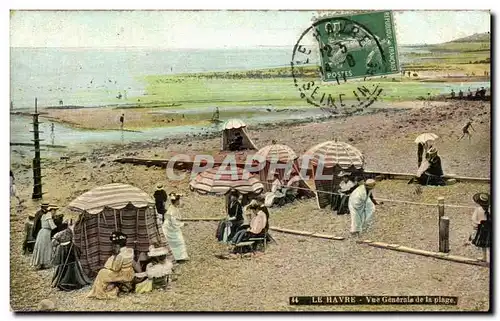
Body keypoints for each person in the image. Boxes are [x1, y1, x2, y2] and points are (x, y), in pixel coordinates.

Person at [87, 231, 135, 299]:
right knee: (106, 268)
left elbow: (115, 269)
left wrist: (106, 266)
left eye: (114, 245)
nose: (113, 247)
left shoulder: (120, 256)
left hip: (123, 275)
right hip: (129, 273)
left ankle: (99, 293)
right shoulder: (130, 250)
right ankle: (107, 288)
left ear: (117, 245)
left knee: (102, 272)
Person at [51, 220, 92, 291]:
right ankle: (69, 282)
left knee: (65, 265)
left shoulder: (58, 234)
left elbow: (53, 243)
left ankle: (63, 282)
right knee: (70, 265)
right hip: (69, 248)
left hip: (64, 250)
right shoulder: (69, 231)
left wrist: (59, 245)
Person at [162, 193, 189, 263]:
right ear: (176, 201)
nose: (179, 201)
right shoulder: (172, 209)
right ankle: (178, 257)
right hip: (170, 227)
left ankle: (177, 256)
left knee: (175, 242)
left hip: (170, 226)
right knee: (179, 241)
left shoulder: (173, 207)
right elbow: (173, 221)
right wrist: (182, 224)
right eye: (179, 200)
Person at [31, 205, 58, 269]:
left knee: (41, 247)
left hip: (42, 232)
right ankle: (43, 263)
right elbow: (52, 226)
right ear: (51, 210)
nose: (55, 212)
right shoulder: (49, 216)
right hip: (46, 233)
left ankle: (41, 263)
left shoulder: (44, 215)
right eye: (54, 210)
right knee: (45, 247)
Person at [469, 193, 491, 263]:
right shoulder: (478, 210)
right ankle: (484, 257)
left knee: (490, 245)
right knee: (483, 245)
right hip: (482, 229)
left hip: (490, 229)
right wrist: (477, 224)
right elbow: (473, 219)